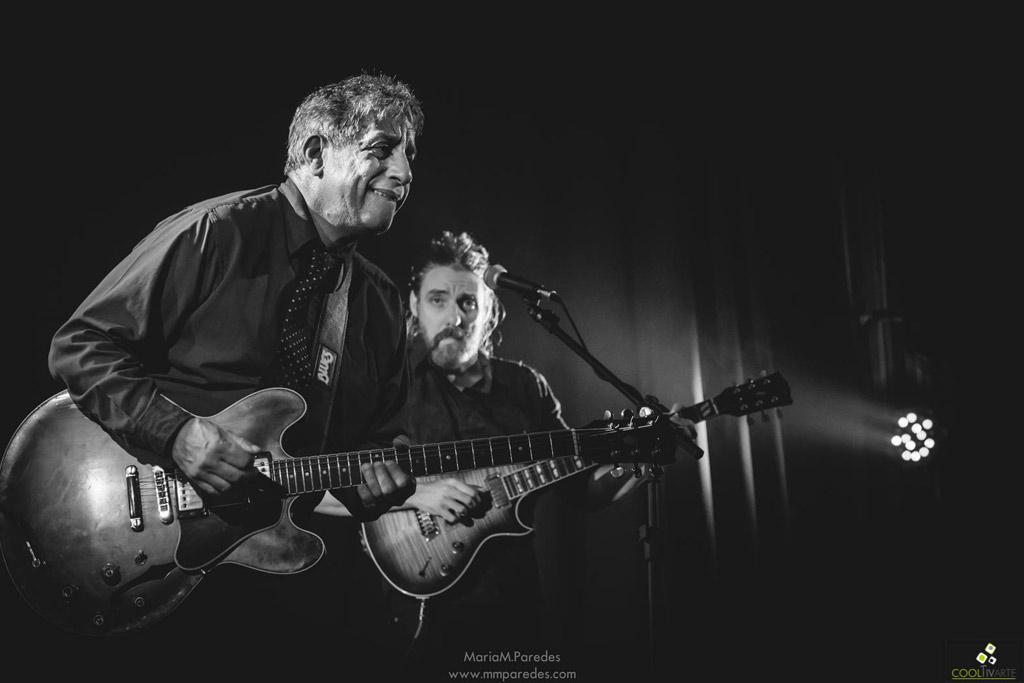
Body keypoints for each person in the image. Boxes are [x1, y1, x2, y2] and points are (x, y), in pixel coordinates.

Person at [46, 74, 422, 657]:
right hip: (156, 562)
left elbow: (375, 439)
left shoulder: (382, 304)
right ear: (316, 153)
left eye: (409, 157)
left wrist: (380, 482)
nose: (403, 173)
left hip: (286, 598)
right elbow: (81, 346)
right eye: (381, 149)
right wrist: (176, 435)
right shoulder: (215, 234)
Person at [316, 231, 687, 673]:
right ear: (413, 306)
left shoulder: (525, 387)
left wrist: (633, 468)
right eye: (438, 300)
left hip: (510, 612)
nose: (455, 315)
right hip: (406, 621)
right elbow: (323, 484)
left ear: (489, 311)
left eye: (468, 303)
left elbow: (580, 491)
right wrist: (417, 494)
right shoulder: (387, 388)